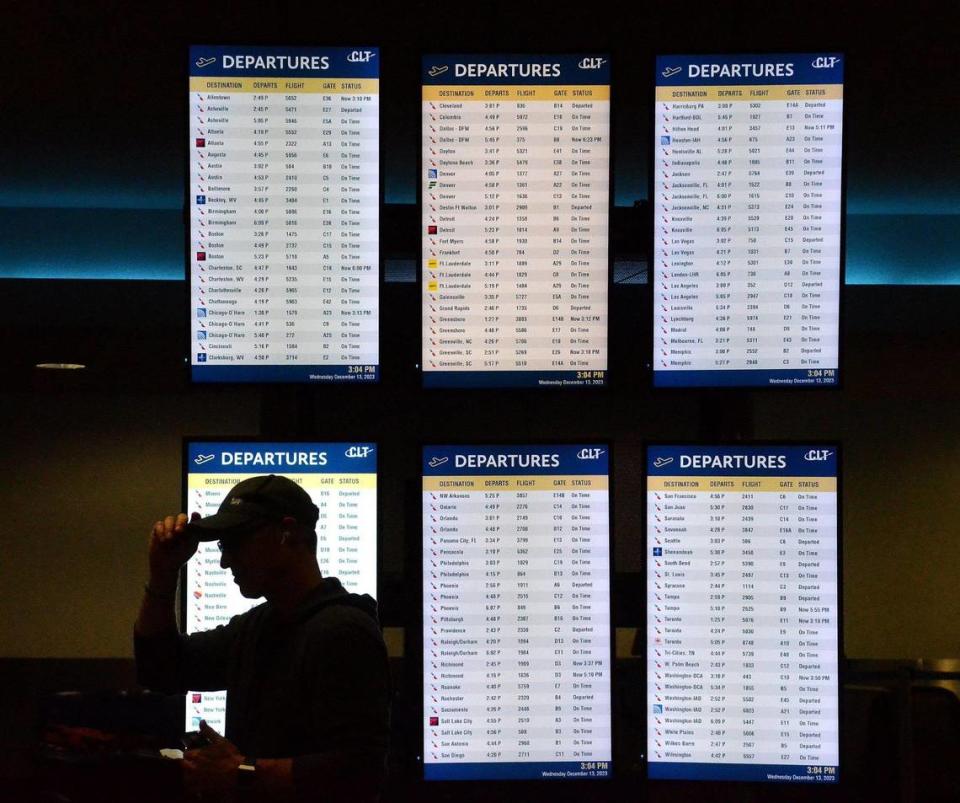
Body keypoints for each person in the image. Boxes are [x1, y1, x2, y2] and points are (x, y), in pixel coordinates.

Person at [134, 474, 390, 802]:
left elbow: (360, 771)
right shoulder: (259, 626)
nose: (226, 561)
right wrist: (164, 573)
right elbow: (160, 668)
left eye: (235, 542)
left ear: (288, 533)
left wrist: (242, 771)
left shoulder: (343, 630)